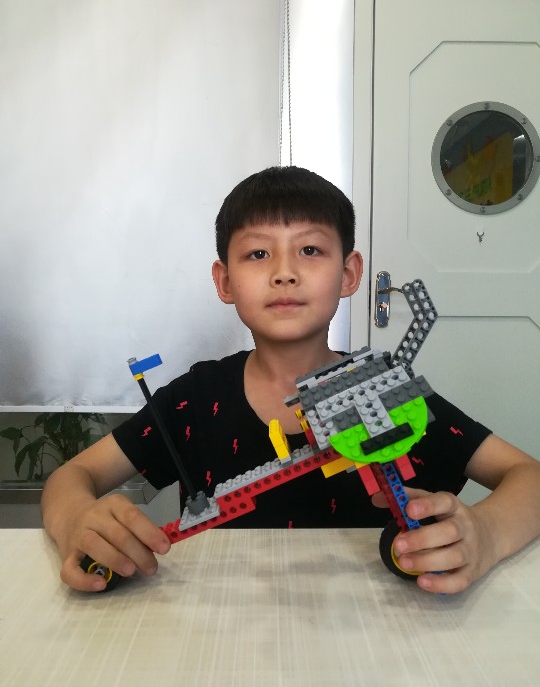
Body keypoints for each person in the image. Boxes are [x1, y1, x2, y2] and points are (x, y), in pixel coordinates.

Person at [41, 166, 540, 595]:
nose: (284, 272)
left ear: (349, 274)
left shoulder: (388, 390)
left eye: (310, 249)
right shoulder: (196, 398)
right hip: (227, 627)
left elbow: (529, 477)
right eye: (258, 254)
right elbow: (70, 478)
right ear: (225, 281)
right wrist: (75, 519)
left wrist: (488, 532)